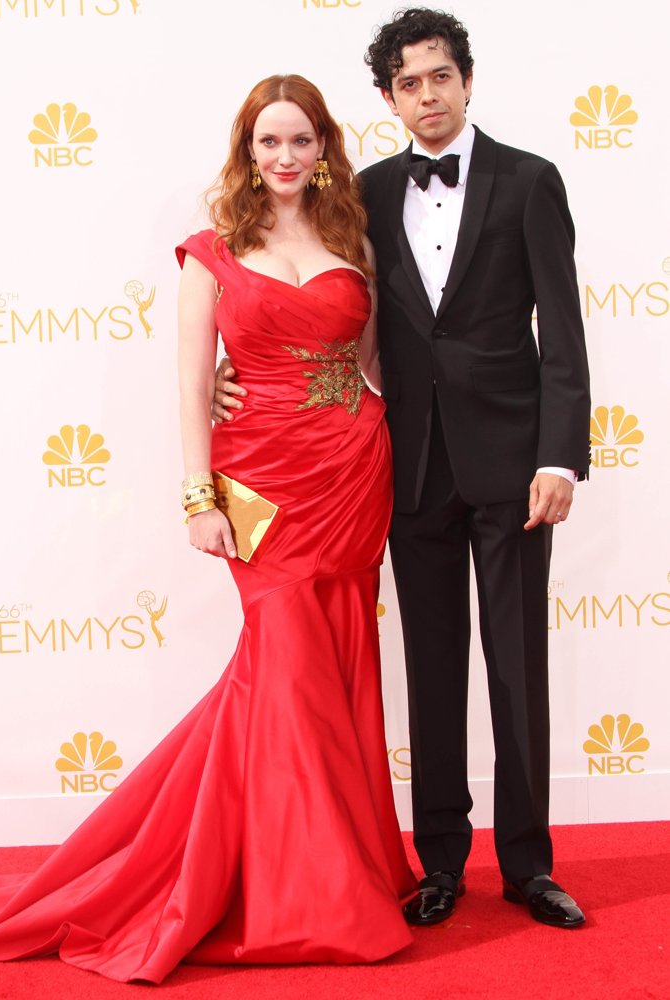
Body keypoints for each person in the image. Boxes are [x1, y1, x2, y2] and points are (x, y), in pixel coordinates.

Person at [0, 76, 414, 983]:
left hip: (349, 473)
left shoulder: (353, 240)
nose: (285, 157)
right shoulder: (209, 253)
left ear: (324, 146)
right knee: (287, 664)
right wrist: (197, 498)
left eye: (300, 141)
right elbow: (188, 385)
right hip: (259, 485)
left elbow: (367, 361)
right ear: (246, 153)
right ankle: (304, 888)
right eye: (268, 143)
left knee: (331, 667)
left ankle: (332, 863)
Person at [213, 9, 591, 930]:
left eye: (439, 77)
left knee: (516, 670)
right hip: (402, 466)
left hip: (511, 466)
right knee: (428, 671)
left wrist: (559, 458)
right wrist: (245, 368)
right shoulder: (366, 195)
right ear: (387, 99)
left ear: (466, 81)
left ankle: (530, 865)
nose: (426, 95)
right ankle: (441, 865)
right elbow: (321, 311)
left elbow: (562, 333)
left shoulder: (529, 180)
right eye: (407, 84)